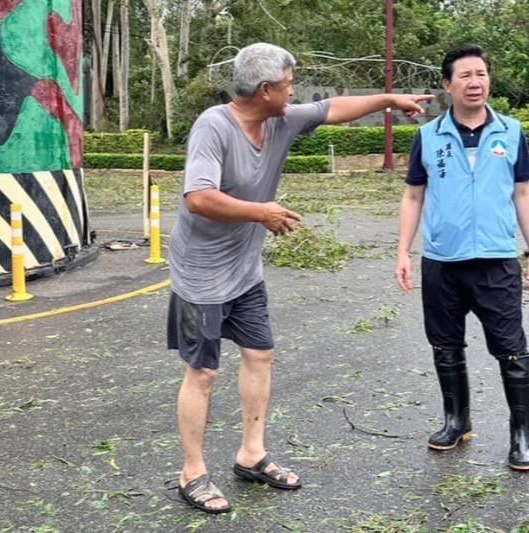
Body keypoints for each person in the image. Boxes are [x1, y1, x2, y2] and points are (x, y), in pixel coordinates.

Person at [167, 42, 433, 514]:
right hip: (201, 274)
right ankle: (193, 472)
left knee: (260, 354)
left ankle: (251, 455)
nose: (294, 90)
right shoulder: (214, 126)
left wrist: (391, 100)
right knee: (204, 371)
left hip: (244, 270)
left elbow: (334, 108)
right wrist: (261, 213)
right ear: (265, 88)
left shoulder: (281, 118)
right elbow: (198, 198)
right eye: (289, 83)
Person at [395, 44, 529, 471]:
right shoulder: (427, 136)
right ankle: (456, 421)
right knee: (445, 344)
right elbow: (412, 195)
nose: (474, 82)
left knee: (511, 349)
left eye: (481, 74)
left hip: (496, 259)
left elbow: (523, 192)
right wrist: (403, 251)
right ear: (448, 85)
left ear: (489, 80)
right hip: (442, 260)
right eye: (464, 75)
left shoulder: (512, 132)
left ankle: (520, 435)